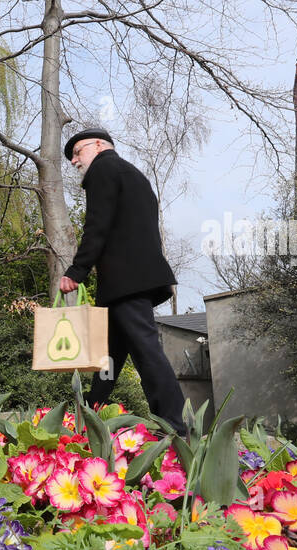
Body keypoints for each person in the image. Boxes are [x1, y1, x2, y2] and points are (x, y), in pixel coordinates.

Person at [58, 128, 189, 436]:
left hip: (126, 282)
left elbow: (97, 225)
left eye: (78, 152)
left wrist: (76, 271)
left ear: (100, 145)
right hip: (132, 281)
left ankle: (175, 427)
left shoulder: (103, 168)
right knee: (110, 358)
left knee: (146, 352)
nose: (74, 160)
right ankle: (88, 417)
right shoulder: (133, 175)